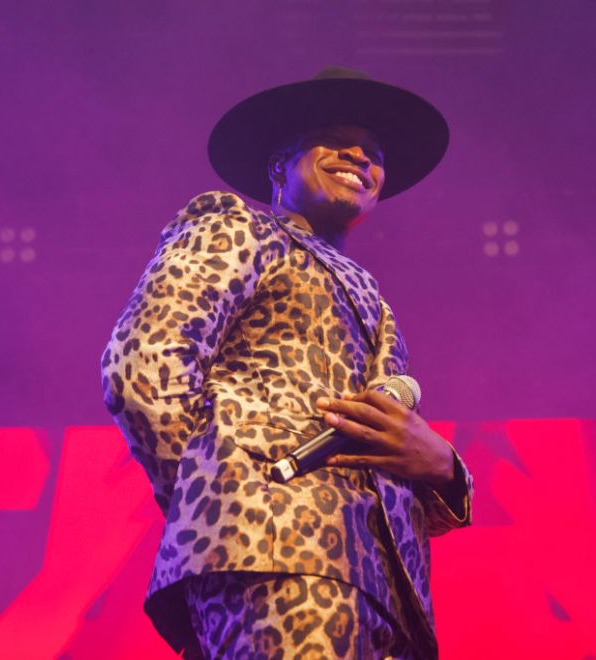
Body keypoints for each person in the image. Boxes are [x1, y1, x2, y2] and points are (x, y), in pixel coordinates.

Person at [102, 66, 473, 659]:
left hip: (383, 596)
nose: (359, 154)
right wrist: (226, 498)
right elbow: (143, 367)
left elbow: (393, 490)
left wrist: (439, 466)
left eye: (374, 152)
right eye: (336, 139)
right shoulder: (237, 228)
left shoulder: (375, 306)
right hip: (276, 555)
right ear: (279, 166)